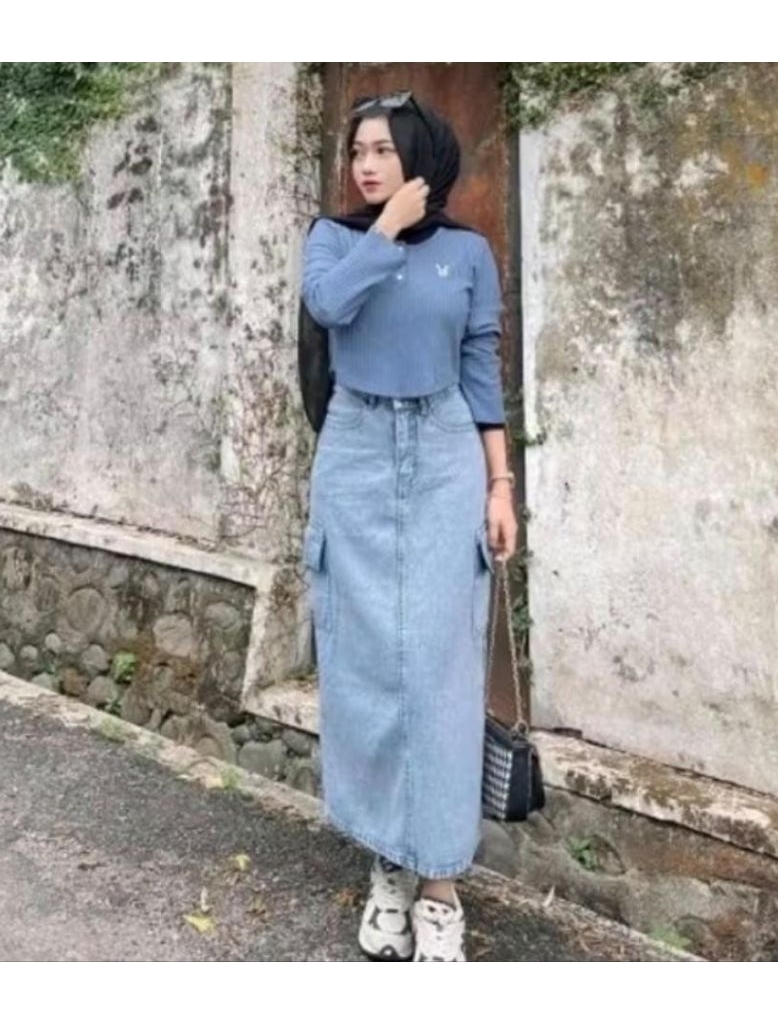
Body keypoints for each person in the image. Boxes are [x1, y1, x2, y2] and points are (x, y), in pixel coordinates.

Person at [299, 90, 518, 962]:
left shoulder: (468, 254)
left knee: (437, 668)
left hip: (443, 452)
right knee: (364, 664)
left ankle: (440, 888)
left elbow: (480, 367)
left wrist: (500, 486)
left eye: (384, 150)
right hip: (355, 448)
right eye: (358, 150)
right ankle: (388, 864)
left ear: (421, 156)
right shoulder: (335, 239)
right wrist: (384, 229)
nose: (366, 165)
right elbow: (328, 307)